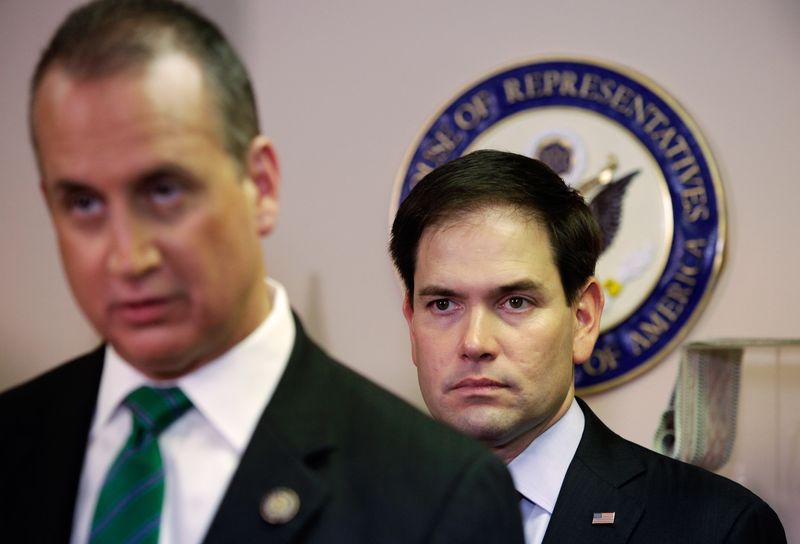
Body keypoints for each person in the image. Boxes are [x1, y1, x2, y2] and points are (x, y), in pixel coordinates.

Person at [0, 2, 525, 543]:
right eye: (83, 203)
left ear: (262, 186)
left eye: (164, 192)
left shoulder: (435, 495)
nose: (128, 258)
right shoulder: (14, 438)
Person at [390, 149, 786, 543]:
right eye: (443, 304)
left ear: (582, 320)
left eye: (515, 302)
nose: (474, 342)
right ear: (412, 324)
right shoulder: (344, 515)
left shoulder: (718, 529)